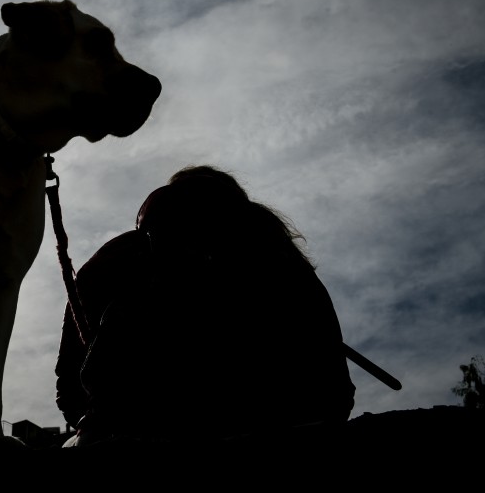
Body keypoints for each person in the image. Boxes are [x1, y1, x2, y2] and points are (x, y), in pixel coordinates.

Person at [54, 165, 355, 445]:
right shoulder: (277, 255)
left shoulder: (276, 264)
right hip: (274, 424)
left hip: (151, 430)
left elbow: (332, 387)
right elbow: (335, 391)